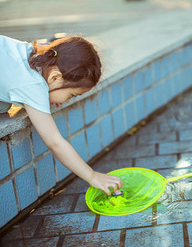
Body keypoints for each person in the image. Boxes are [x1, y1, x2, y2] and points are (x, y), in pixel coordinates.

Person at [0, 35, 123, 196]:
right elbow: (55, 142)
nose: (67, 100)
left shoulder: (33, 53)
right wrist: (92, 176)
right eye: (72, 94)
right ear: (55, 78)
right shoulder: (33, 86)